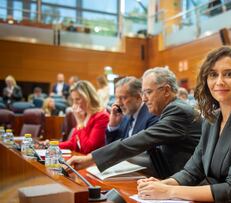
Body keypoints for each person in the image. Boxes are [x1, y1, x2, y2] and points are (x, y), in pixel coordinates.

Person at [137, 47, 231, 202]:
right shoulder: (212, 119)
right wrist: (161, 185)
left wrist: (169, 191)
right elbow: (191, 172)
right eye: (213, 75)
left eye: (229, 74)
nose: (219, 82)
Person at [66, 67, 202, 178]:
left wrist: (91, 159)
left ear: (166, 90)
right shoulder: (170, 110)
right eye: (143, 93)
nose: (144, 99)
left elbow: (140, 140)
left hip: (189, 183)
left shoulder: (178, 111)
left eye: (148, 92)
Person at [55, 80, 109, 154]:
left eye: (77, 99)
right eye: (73, 100)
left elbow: (88, 149)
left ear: (88, 98)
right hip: (79, 159)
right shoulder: (84, 114)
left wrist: (80, 122)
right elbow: (72, 143)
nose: (74, 104)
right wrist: (52, 145)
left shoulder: (102, 117)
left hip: (92, 163)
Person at [106, 76, 158, 144]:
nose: (118, 103)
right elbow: (112, 147)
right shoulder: (125, 116)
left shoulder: (152, 116)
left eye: (123, 98)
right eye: (117, 98)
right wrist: (113, 126)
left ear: (138, 97)